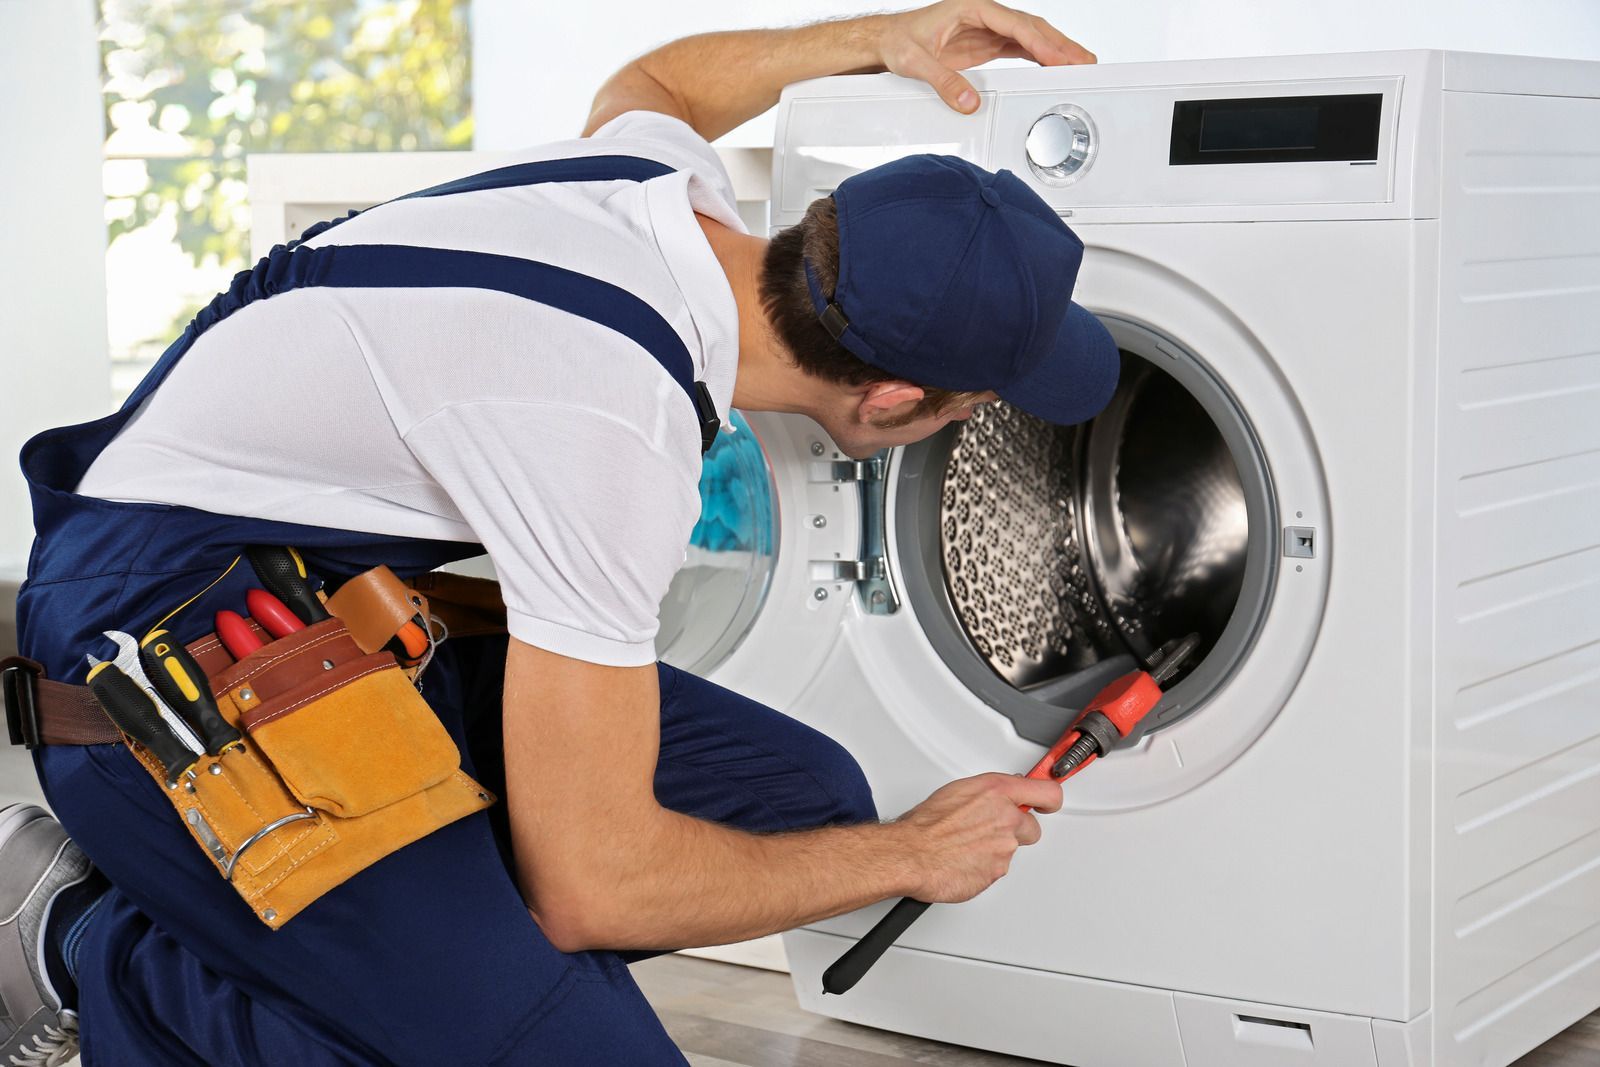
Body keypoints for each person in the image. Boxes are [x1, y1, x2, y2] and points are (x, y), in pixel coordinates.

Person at [0, 2, 1117, 1062]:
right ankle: (80, 943)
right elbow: (592, 888)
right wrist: (915, 850)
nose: (972, 421)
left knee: (797, 806)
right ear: (888, 399)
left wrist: (880, 36)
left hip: (310, 600)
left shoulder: (652, 193)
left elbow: (661, 82)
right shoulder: (611, 433)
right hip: (156, 661)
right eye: (973, 404)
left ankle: (370, 950)